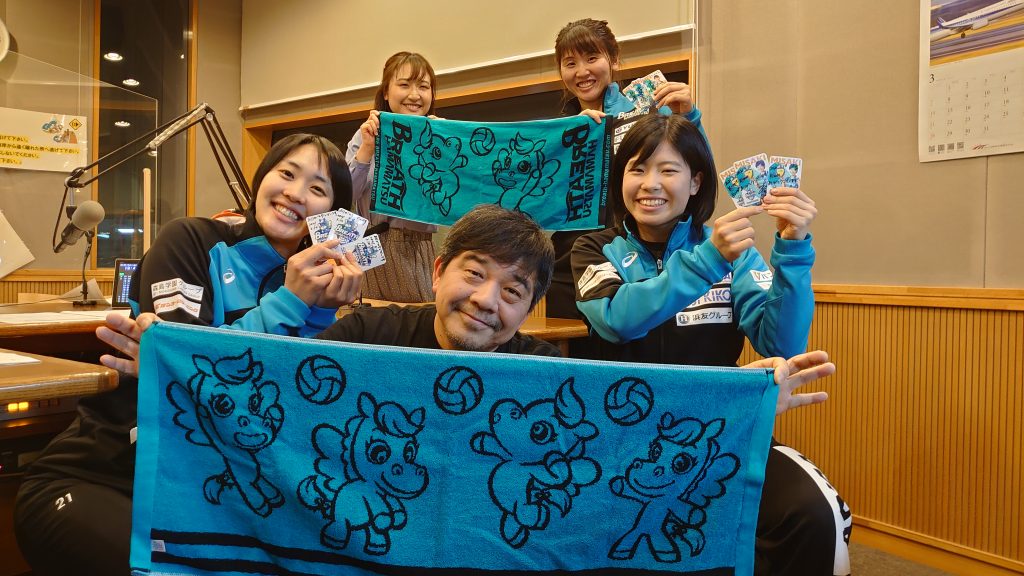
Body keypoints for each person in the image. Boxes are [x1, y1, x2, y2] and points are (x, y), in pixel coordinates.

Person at [14, 133, 363, 576]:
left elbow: (285, 406)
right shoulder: (191, 240)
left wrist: (320, 312)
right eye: (287, 173)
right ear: (262, 179)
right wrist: (291, 303)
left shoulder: (309, 285)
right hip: (102, 478)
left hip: (203, 499)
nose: (296, 193)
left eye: (317, 188)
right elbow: (195, 375)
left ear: (332, 217)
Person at [571, 113, 851, 575]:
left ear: (696, 182)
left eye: (668, 170)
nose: (650, 184)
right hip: (619, 438)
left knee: (815, 514)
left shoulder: (734, 254)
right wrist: (707, 261)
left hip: (720, 429)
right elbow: (619, 321)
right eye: (637, 169)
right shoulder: (593, 249)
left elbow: (780, 343)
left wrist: (793, 248)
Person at [547, 17, 708, 321]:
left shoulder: (649, 113)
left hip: (636, 255)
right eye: (570, 63)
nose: (581, 71)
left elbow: (699, 173)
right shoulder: (556, 132)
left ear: (614, 59)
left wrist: (690, 117)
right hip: (568, 266)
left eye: (592, 58)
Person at [346, 51, 439, 303]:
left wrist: (444, 146)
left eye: (423, 87)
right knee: (373, 319)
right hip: (370, 245)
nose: (415, 95)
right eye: (404, 85)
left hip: (418, 247)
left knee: (418, 318)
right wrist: (367, 149)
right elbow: (344, 196)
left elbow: (450, 198)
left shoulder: (437, 138)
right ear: (386, 92)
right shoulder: (365, 134)